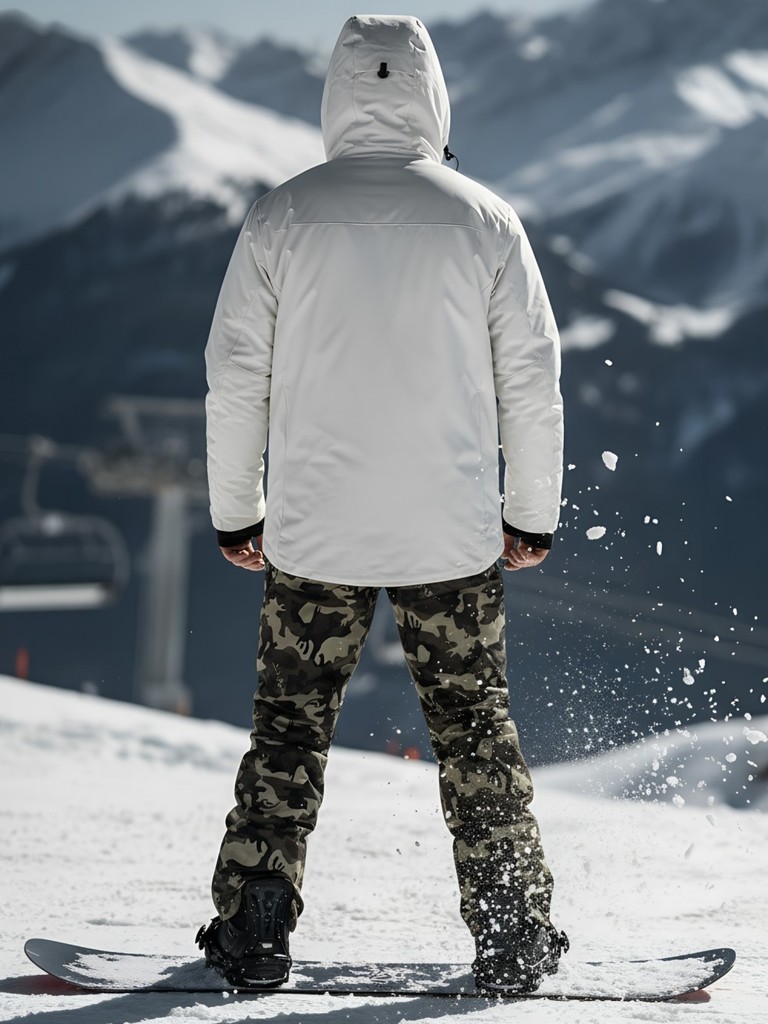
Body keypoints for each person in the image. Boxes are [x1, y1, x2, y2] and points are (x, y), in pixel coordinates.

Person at [196, 13, 567, 994]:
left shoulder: (280, 216)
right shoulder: (487, 221)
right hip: (452, 537)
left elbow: (235, 378)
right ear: (433, 96)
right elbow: (533, 383)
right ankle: (513, 931)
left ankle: (255, 924)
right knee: (475, 730)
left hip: (313, 534)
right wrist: (530, 514)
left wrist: (239, 511)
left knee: (288, 733)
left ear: (336, 95)